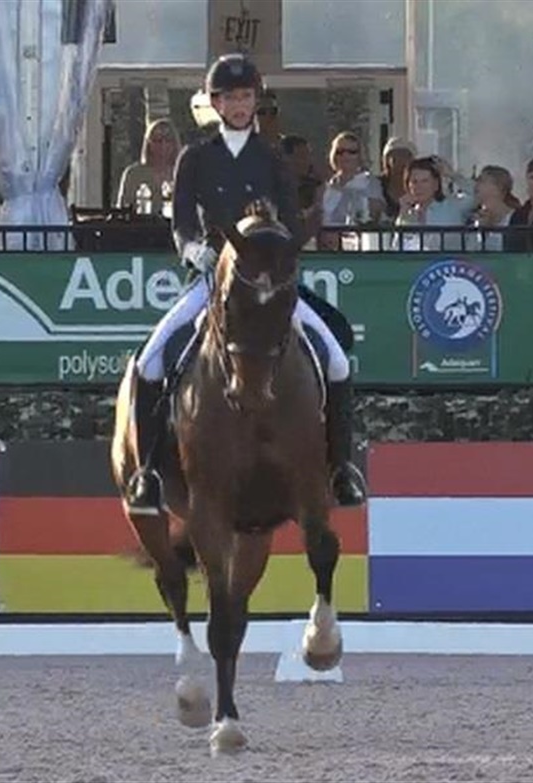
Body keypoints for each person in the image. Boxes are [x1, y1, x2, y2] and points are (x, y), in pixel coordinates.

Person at [125, 52, 367, 516]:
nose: (239, 105)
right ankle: (149, 473)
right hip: (215, 280)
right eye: (230, 98)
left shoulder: (272, 158)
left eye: (246, 97)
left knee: (336, 360)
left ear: (256, 101)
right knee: (150, 361)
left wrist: (280, 247)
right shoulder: (195, 157)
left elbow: (290, 221)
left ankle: (341, 468)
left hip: (267, 282)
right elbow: (182, 222)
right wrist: (193, 250)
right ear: (215, 103)